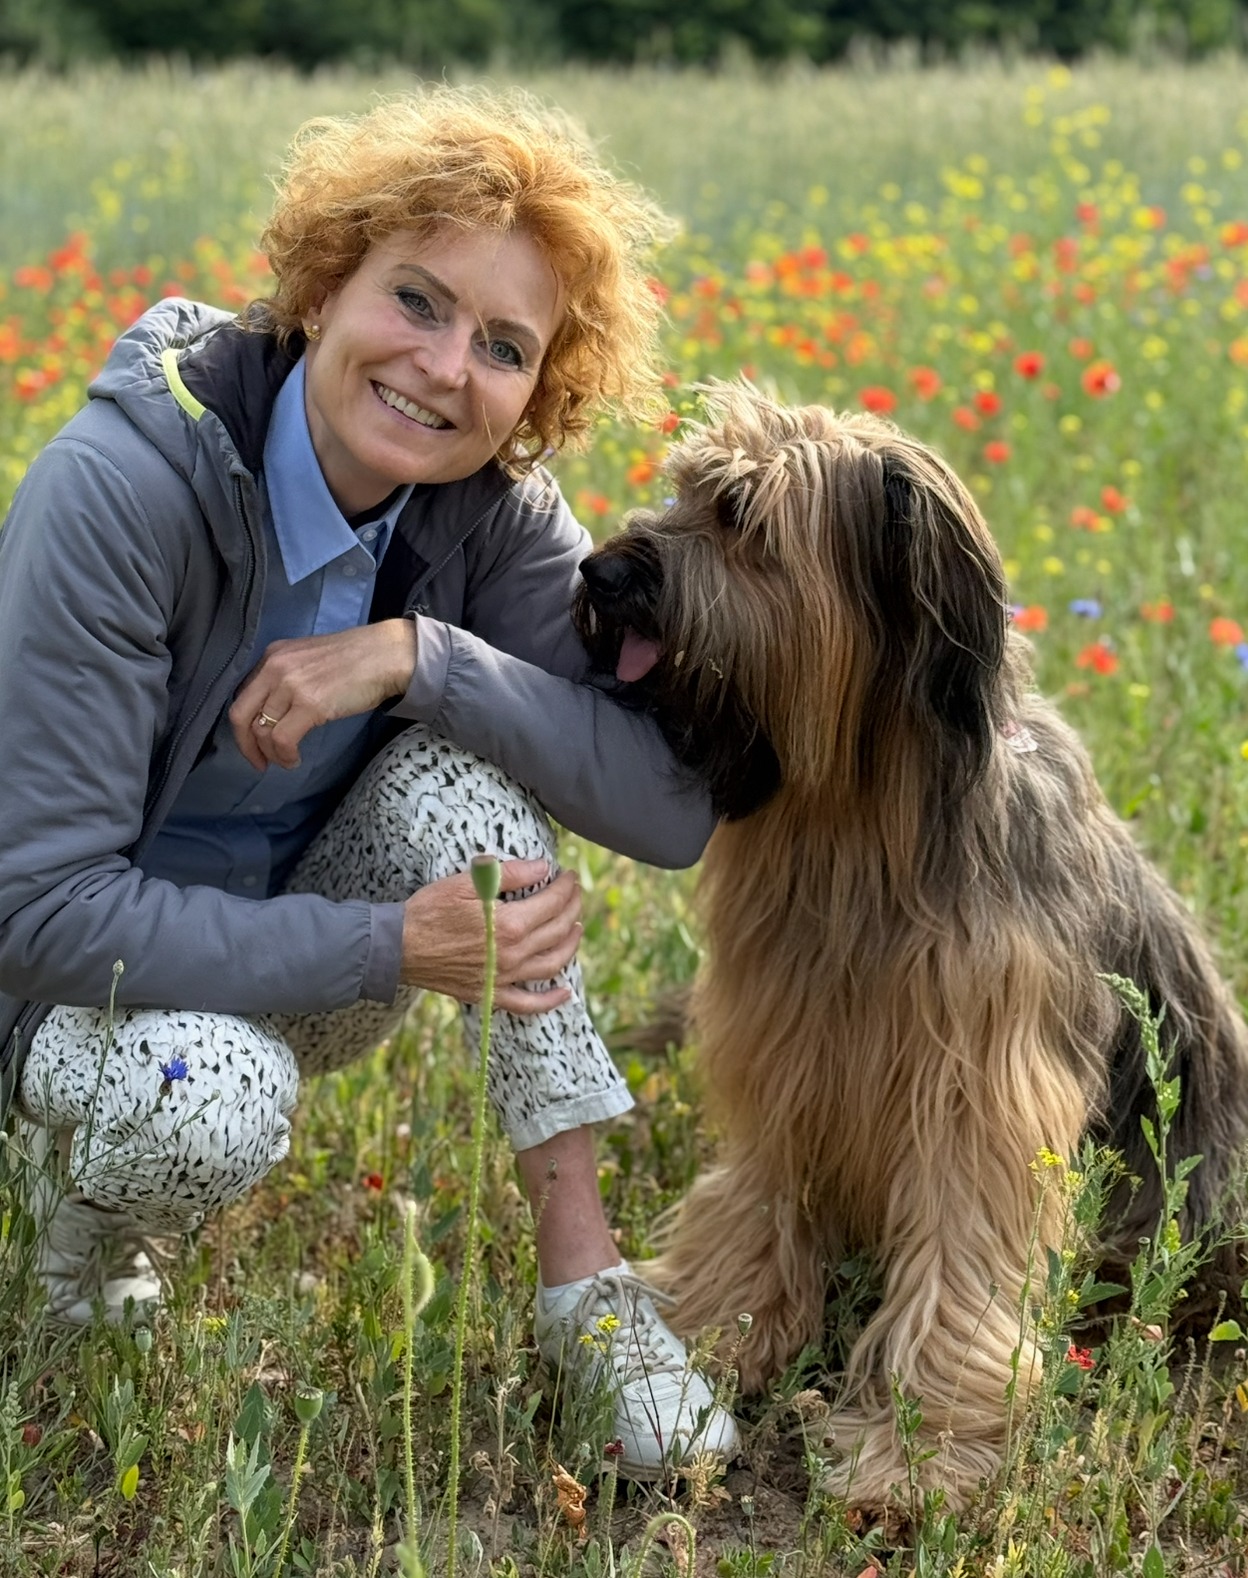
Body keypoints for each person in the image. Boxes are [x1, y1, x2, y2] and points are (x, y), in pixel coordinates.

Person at [0, 87, 736, 1477]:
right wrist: (389, 943)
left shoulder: (484, 510)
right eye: (417, 299)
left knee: (473, 792)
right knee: (205, 1095)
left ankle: (590, 1296)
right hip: (50, 992)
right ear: (324, 277)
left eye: (504, 347)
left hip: (285, 951)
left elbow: (666, 807)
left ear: (537, 392)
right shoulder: (123, 490)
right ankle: (83, 1248)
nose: (447, 368)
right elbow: (37, 909)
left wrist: (422, 655)